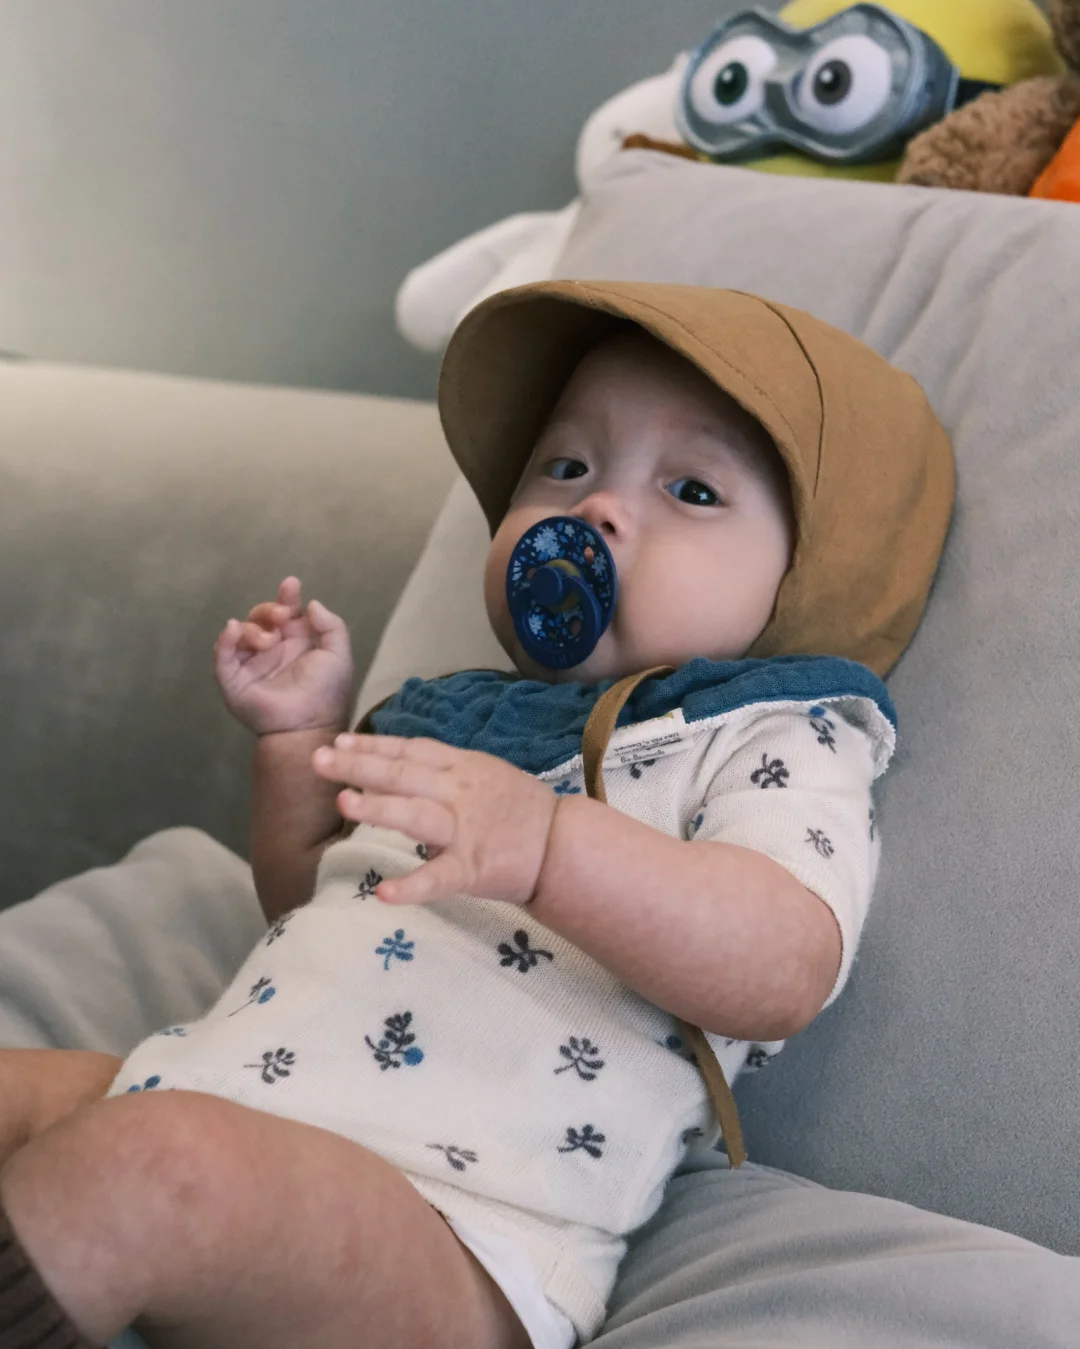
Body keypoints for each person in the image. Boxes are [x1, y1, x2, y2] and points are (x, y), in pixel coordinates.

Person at [0, 281, 954, 1349]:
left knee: (155, 1168)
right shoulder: (458, 717)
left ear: (815, 576)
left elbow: (783, 964)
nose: (596, 510)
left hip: (454, 1229)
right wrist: (298, 740)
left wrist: (550, 847)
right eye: (567, 466)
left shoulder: (768, 734)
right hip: (226, 1093)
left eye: (691, 489)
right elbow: (310, 903)